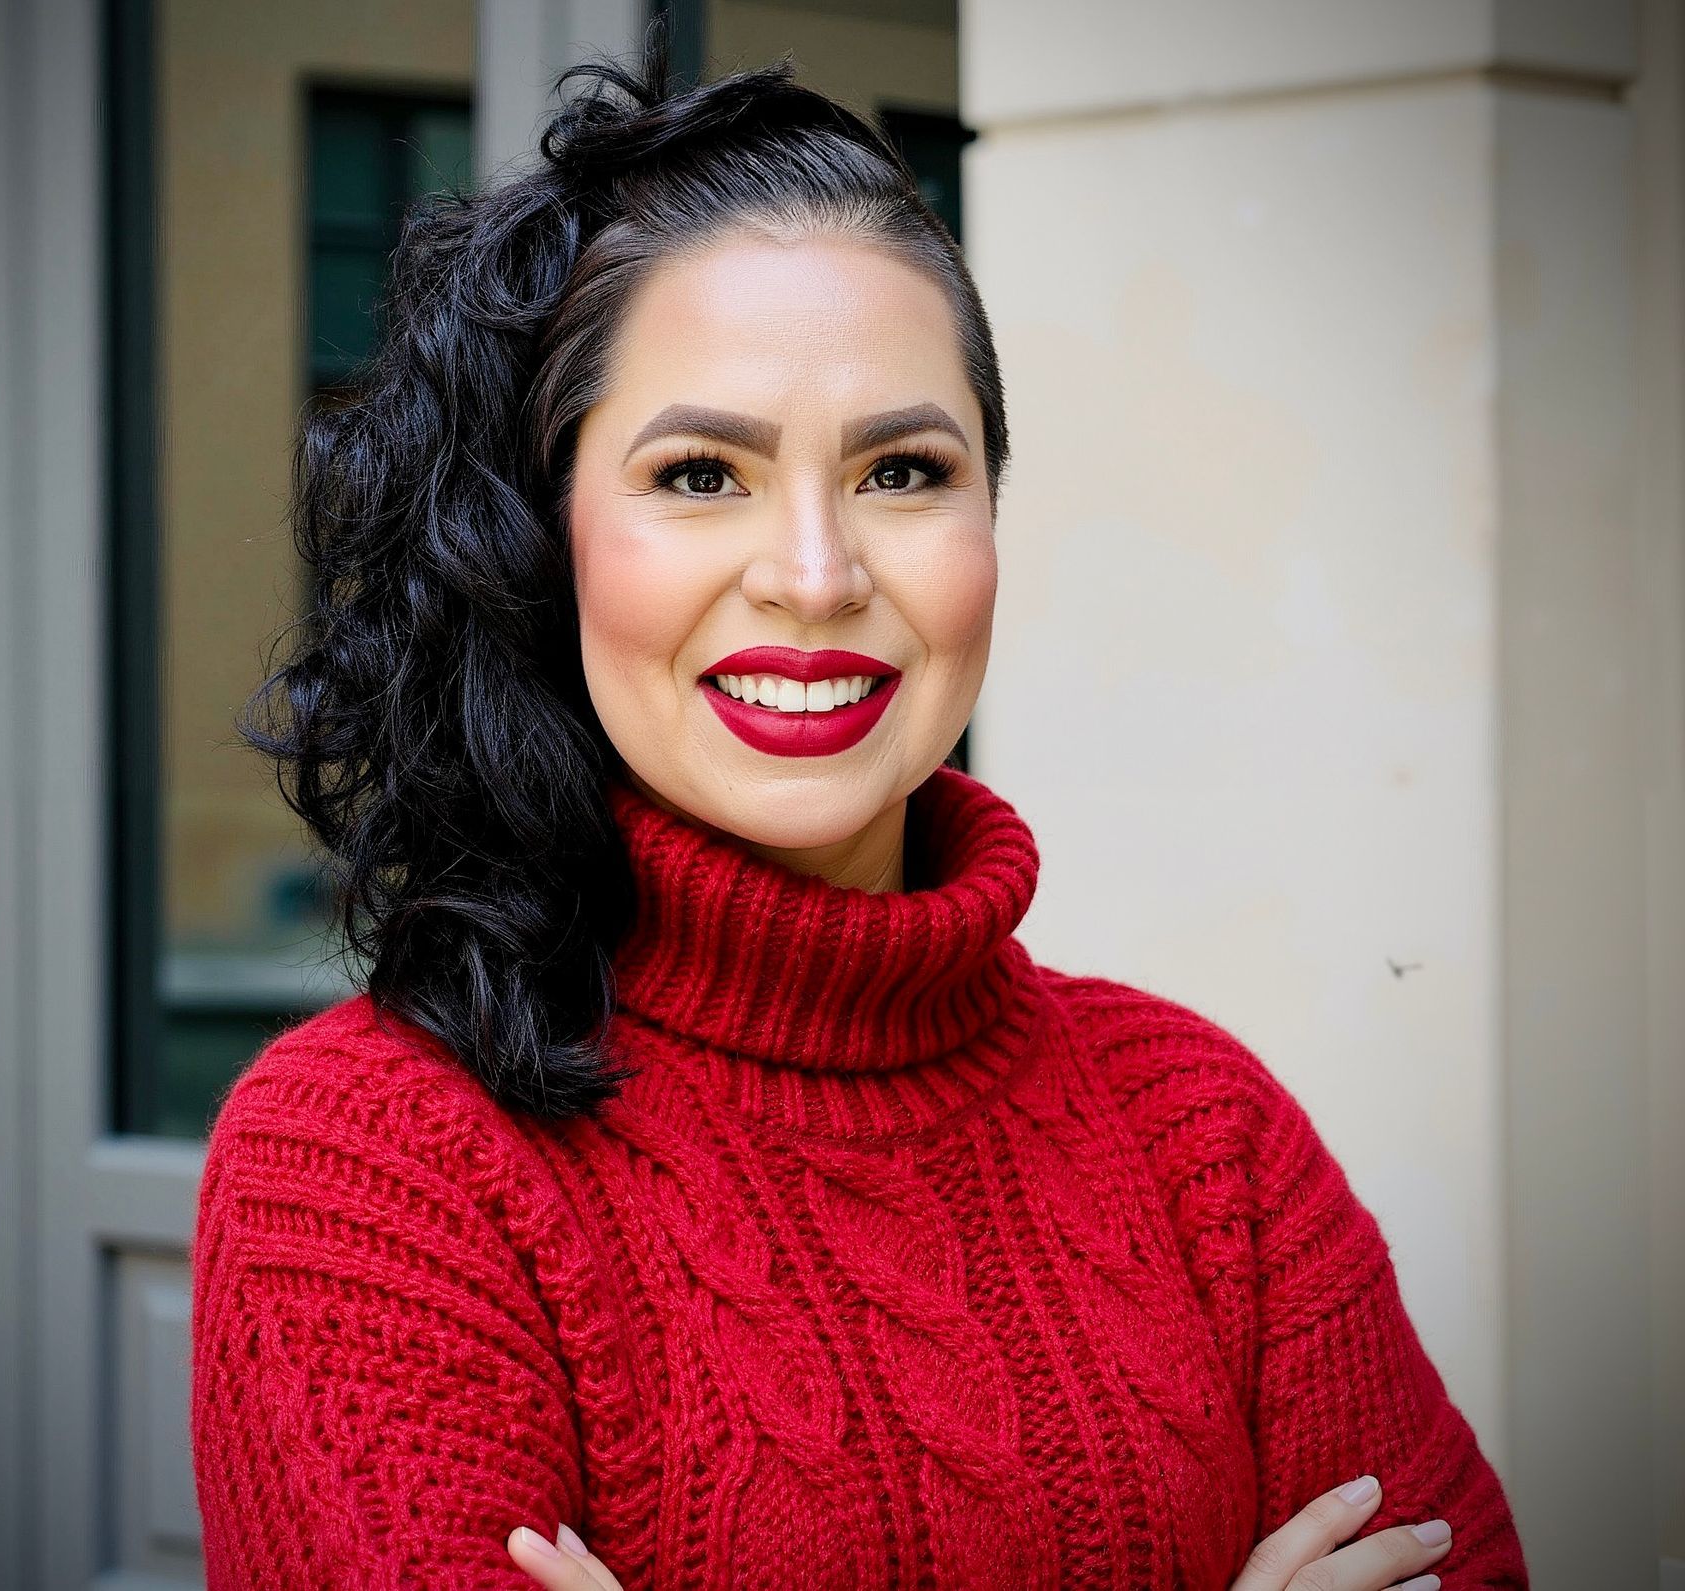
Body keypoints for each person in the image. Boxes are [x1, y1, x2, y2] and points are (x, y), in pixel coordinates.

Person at [188, 21, 1529, 1590]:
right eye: (701, 475)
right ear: (540, 541)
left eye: (903, 472)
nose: (818, 577)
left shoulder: (1201, 1135)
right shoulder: (371, 1170)